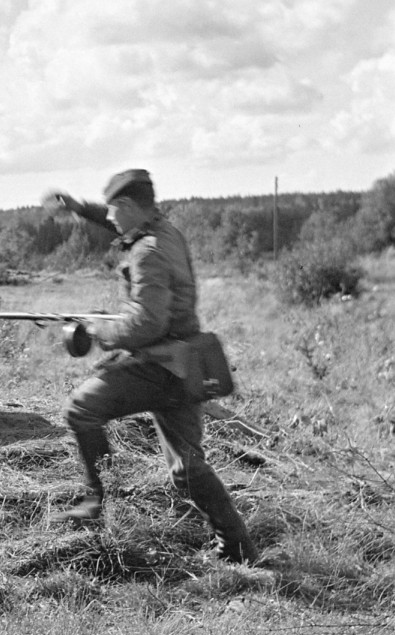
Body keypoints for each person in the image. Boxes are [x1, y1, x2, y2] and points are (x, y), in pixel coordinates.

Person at [40, 169, 258, 564]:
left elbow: (147, 323)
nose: (109, 217)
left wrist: (99, 330)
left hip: (158, 367)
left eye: (113, 209)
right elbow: (115, 222)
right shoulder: (164, 230)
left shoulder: (148, 251)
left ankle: (96, 501)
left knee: (81, 409)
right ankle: (237, 546)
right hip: (186, 364)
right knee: (185, 467)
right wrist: (78, 208)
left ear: (127, 205)